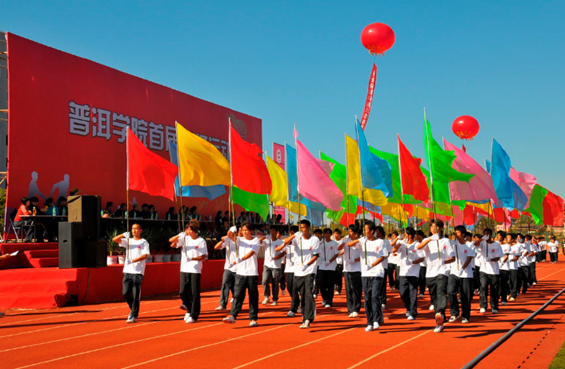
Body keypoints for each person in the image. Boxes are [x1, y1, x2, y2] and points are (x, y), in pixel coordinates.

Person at [345, 222, 388, 331]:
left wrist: (372, 265)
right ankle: (369, 321)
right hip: (365, 274)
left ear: (372, 231)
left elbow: (383, 256)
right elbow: (349, 244)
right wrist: (360, 240)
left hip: (377, 273)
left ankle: (376, 320)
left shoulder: (380, 242)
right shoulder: (362, 242)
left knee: (374, 296)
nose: (364, 231)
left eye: (366, 229)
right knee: (367, 298)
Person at [416, 219, 455, 333]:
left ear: (441, 228)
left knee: (441, 292)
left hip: (443, 271)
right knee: (434, 297)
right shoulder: (427, 241)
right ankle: (439, 318)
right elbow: (418, 247)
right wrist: (429, 239)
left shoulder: (446, 241)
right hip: (430, 273)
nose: (434, 229)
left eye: (436, 227)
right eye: (432, 227)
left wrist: (444, 262)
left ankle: (440, 312)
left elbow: (453, 257)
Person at [281, 219, 319, 329]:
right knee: (301, 295)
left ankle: (308, 318)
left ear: (308, 228)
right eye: (300, 228)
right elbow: (285, 243)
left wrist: (306, 265)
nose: (301, 230)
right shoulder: (297, 239)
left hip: (309, 270)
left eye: (303, 228)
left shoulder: (314, 240)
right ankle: (304, 316)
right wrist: (293, 236)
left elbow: (316, 256)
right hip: (298, 272)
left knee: (308, 293)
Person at [223, 222, 261, 327]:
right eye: (243, 230)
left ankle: (253, 318)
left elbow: (252, 252)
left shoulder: (255, 241)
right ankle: (232, 315)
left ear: (251, 231)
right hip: (240, 273)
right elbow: (229, 236)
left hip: (252, 273)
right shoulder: (240, 240)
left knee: (253, 296)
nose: (244, 232)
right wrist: (232, 229)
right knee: (238, 295)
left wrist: (240, 259)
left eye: (246, 230)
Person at [169, 220, 208, 323]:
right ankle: (189, 309)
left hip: (195, 269)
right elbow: (171, 242)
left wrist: (192, 258)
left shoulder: (201, 241)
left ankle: (194, 315)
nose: (188, 232)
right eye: (187, 230)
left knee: (195, 293)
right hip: (184, 269)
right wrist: (180, 235)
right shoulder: (185, 239)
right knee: (182, 292)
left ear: (195, 230)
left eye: (190, 230)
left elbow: (203, 256)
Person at [113, 224, 150, 323]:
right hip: (127, 271)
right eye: (133, 229)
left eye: (136, 229)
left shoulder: (144, 242)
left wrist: (133, 260)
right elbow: (114, 239)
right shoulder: (128, 241)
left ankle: (133, 314)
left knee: (135, 293)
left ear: (140, 230)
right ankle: (133, 309)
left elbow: (145, 255)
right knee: (125, 293)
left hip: (138, 271)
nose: (134, 231)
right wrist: (123, 235)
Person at [393, 227, 425, 321]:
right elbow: (393, 250)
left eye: (405, 235)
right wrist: (400, 242)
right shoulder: (402, 245)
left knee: (413, 293)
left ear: (409, 235)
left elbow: (422, 258)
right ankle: (408, 308)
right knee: (403, 293)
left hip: (414, 272)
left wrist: (412, 262)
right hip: (403, 272)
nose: (403, 236)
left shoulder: (417, 245)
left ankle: (412, 312)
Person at [447, 225, 475, 324]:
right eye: (455, 232)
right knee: (450, 291)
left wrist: (462, 269)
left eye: (457, 232)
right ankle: (454, 313)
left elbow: (469, 258)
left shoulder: (470, 245)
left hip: (466, 274)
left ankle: (465, 316)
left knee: (465, 296)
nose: (456, 234)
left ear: (463, 234)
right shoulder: (452, 243)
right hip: (454, 272)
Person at [473, 228, 503, 314]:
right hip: (483, 270)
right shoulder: (482, 243)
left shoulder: (496, 245)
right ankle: (483, 305)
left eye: (488, 234)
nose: (486, 235)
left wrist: (491, 259)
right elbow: (474, 244)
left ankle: (494, 307)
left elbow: (498, 256)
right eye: (484, 234)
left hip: (494, 271)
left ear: (491, 235)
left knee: (494, 289)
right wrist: (482, 239)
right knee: (483, 287)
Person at [337, 224, 362, 318]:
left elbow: (364, 256)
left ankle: (356, 308)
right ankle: (350, 308)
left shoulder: (360, 241)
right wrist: (343, 242)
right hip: (347, 268)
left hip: (357, 268)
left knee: (356, 289)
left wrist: (354, 260)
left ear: (356, 233)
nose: (349, 233)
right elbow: (338, 249)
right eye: (348, 231)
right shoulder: (345, 240)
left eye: (351, 231)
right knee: (349, 289)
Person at [276, 225, 301, 317]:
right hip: (288, 269)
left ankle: (293, 309)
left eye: (293, 233)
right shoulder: (287, 242)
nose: (291, 234)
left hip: (297, 269)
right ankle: (298, 302)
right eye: (291, 233)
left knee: (294, 289)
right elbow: (279, 248)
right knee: (289, 288)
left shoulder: (299, 242)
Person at [214, 226, 239, 311]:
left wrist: (229, 237)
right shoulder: (227, 240)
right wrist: (222, 241)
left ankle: (236, 303)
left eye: (233, 233)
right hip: (228, 267)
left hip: (238, 267)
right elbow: (216, 247)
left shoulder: (240, 240)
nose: (231, 234)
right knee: (225, 284)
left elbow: (231, 238)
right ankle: (222, 304)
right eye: (230, 232)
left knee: (236, 287)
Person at [261, 226, 284, 306]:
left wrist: (274, 258)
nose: (271, 232)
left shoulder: (280, 242)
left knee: (275, 282)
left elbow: (283, 252)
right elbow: (258, 242)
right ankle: (266, 296)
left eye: (273, 231)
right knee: (264, 281)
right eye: (270, 231)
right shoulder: (267, 241)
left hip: (276, 266)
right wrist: (264, 237)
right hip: (267, 265)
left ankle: (275, 299)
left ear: (277, 232)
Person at [317, 228, 339, 308]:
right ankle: (325, 298)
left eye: (328, 233)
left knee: (330, 285)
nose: (326, 235)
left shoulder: (334, 243)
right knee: (322, 284)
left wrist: (329, 261)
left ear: (330, 234)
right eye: (325, 233)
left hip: (331, 267)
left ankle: (329, 301)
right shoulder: (321, 243)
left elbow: (336, 254)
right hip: (322, 266)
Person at [416, 230, 427, 298]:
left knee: (422, 279)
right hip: (417, 264)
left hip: (424, 264)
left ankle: (422, 291)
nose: (416, 237)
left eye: (417, 236)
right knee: (417, 278)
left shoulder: (425, 242)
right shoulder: (416, 243)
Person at [333, 229, 344, 295]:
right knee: (333, 275)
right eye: (334, 234)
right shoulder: (332, 242)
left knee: (339, 276)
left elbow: (344, 250)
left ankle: (339, 289)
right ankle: (334, 286)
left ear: (340, 234)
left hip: (339, 261)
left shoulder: (342, 242)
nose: (335, 235)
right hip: (332, 262)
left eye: (337, 234)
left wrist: (338, 254)